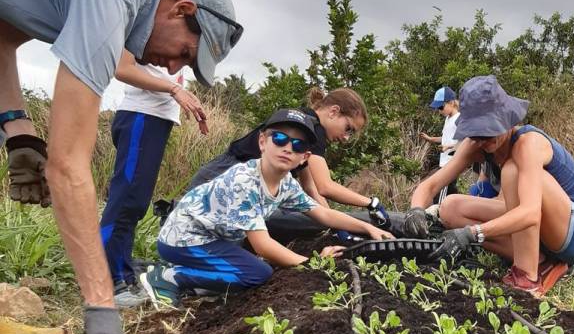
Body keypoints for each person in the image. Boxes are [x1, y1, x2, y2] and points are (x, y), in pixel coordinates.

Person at [0, 0, 243, 334]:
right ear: (182, 10)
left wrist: (17, 128)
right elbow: (68, 164)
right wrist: (101, 306)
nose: (176, 68)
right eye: (185, 56)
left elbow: (3, 33)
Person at [139, 108, 392, 306]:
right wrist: (313, 263)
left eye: (298, 145)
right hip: (183, 240)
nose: (287, 148)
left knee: (251, 268)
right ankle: (170, 277)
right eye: (280, 138)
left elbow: (322, 213)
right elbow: (263, 245)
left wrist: (367, 228)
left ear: (304, 157)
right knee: (258, 273)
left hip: (211, 239)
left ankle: (193, 280)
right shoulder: (245, 180)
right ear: (263, 142)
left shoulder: (285, 185)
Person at [403, 75, 574, 297]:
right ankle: (542, 260)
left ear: (506, 120)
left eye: (489, 131)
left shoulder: (528, 143)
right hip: (544, 229)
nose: (484, 140)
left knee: (511, 171)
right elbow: (431, 185)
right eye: (477, 133)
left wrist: (473, 233)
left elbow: (529, 213)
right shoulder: (475, 145)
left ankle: (527, 277)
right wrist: (415, 211)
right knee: (450, 207)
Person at [102, 0, 222, 309]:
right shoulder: (136, 11)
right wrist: (173, 89)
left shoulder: (168, 21)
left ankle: (120, 265)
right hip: (140, 115)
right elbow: (121, 67)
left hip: (156, 117)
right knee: (126, 200)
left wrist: (181, 95)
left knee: (136, 200)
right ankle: (109, 279)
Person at [186, 87, 392, 239]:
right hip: (220, 182)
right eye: (349, 128)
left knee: (310, 221)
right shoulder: (314, 128)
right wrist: (371, 203)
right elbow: (326, 187)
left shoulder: (307, 123)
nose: (346, 137)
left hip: (216, 177)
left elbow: (311, 189)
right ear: (333, 111)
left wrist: (337, 228)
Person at [419, 86, 460, 202]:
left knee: (441, 194)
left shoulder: (458, 119)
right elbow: (446, 138)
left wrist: (449, 147)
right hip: (445, 161)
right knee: (449, 192)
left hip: (451, 162)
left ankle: (439, 215)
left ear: (451, 103)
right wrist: (431, 139)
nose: (439, 111)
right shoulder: (448, 119)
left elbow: (464, 141)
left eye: (441, 107)